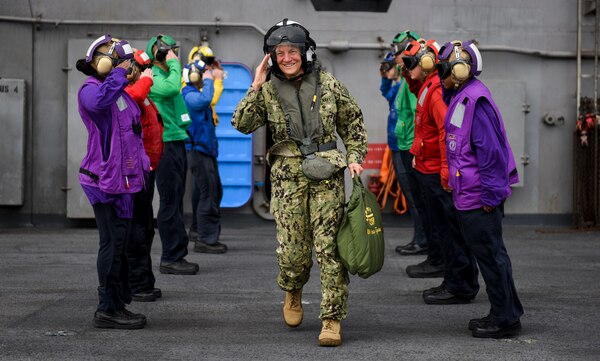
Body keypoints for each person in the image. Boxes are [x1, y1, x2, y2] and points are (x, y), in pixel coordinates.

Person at [232, 18, 367, 347]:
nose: (287, 57)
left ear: (306, 52)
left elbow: (352, 121)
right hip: (287, 180)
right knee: (293, 256)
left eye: (293, 50)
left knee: (330, 251)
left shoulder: (329, 84)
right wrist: (256, 84)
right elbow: (241, 123)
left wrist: (355, 156)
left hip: (327, 177)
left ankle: (331, 318)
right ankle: (292, 290)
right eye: (279, 52)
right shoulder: (267, 91)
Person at [437, 40, 524, 338]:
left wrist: (490, 195)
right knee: (490, 256)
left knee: (491, 256)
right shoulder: (462, 96)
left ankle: (505, 319)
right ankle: (505, 312)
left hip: (479, 197)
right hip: (469, 194)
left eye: (442, 68)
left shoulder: (476, 101)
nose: (438, 74)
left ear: (459, 69)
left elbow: (491, 154)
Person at [75, 35, 149, 329]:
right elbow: (102, 102)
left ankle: (117, 303)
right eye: (121, 62)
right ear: (104, 63)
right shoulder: (90, 91)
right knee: (112, 243)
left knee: (121, 243)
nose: (128, 68)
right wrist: (118, 71)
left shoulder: (120, 92)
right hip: (103, 181)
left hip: (124, 181)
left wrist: (143, 167)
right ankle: (106, 308)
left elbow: (132, 131)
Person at [401, 38, 480, 304]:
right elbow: (413, 87)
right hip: (428, 169)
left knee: (450, 231)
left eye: (411, 63)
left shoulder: (435, 91)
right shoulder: (426, 86)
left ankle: (461, 285)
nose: (407, 67)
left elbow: (448, 132)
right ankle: (454, 280)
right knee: (443, 230)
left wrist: (446, 172)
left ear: (426, 64)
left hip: (437, 174)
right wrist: (410, 67)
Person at [146, 34, 199, 275]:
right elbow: (170, 88)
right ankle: (170, 257)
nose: (173, 56)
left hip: (176, 142)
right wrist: (175, 63)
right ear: (159, 54)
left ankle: (177, 253)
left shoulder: (166, 75)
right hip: (165, 145)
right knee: (169, 202)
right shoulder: (155, 77)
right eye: (169, 52)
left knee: (176, 200)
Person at [380, 42, 428, 257]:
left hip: (407, 146)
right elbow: (387, 95)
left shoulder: (410, 86)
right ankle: (420, 239)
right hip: (399, 144)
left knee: (416, 198)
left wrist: (412, 147)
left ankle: (423, 241)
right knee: (412, 197)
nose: (397, 60)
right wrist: (386, 76)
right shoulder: (401, 84)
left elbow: (416, 116)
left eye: (398, 56)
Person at [124, 49, 164, 302]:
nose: (147, 71)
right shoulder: (130, 92)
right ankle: (137, 284)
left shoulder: (142, 92)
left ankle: (144, 280)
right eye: (142, 67)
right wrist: (146, 79)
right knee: (137, 229)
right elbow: (136, 93)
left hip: (147, 168)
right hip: (137, 170)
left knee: (146, 228)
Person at [182, 60, 228, 253]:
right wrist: (210, 80)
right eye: (203, 74)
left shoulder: (195, 93)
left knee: (214, 191)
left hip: (206, 151)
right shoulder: (189, 95)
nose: (205, 77)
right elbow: (205, 100)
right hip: (198, 152)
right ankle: (205, 240)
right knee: (207, 194)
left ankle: (206, 233)